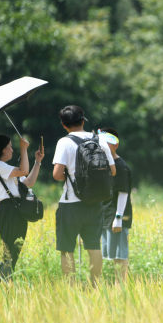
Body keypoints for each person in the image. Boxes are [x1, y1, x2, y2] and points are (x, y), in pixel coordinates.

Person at [52, 105, 115, 285]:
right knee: (94, 246)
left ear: (64, 125)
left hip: (70, 203)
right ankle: (94, 285)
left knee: (67, 249)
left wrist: (71, 176)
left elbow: (57, 175)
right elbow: (113, 170)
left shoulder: (64, 142)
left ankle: (71, 287)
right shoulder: (100, 141)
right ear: (83, 120)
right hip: (95, 203)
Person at [0, 134, 44, 281]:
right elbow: (24, 171)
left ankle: (6, 284)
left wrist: (37, 162)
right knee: (9, 253)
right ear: (2, 150)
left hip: (16, 212)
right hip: (9, 210)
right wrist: (23, 149)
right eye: (10, 147)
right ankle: (3, 286)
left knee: (14, 252)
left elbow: (28, 181)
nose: (12, 150)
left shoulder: (8, 169)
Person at [98, 127, 132, 282]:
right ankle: (113, 285)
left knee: (119, 254)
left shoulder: (120, 166)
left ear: (115, 145)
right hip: (105, 215)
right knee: (109, 254)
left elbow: (123, 192)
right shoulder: (103, 165)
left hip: (116, 216)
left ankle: (121, 286)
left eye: (107, 144)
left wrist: (118, 217)